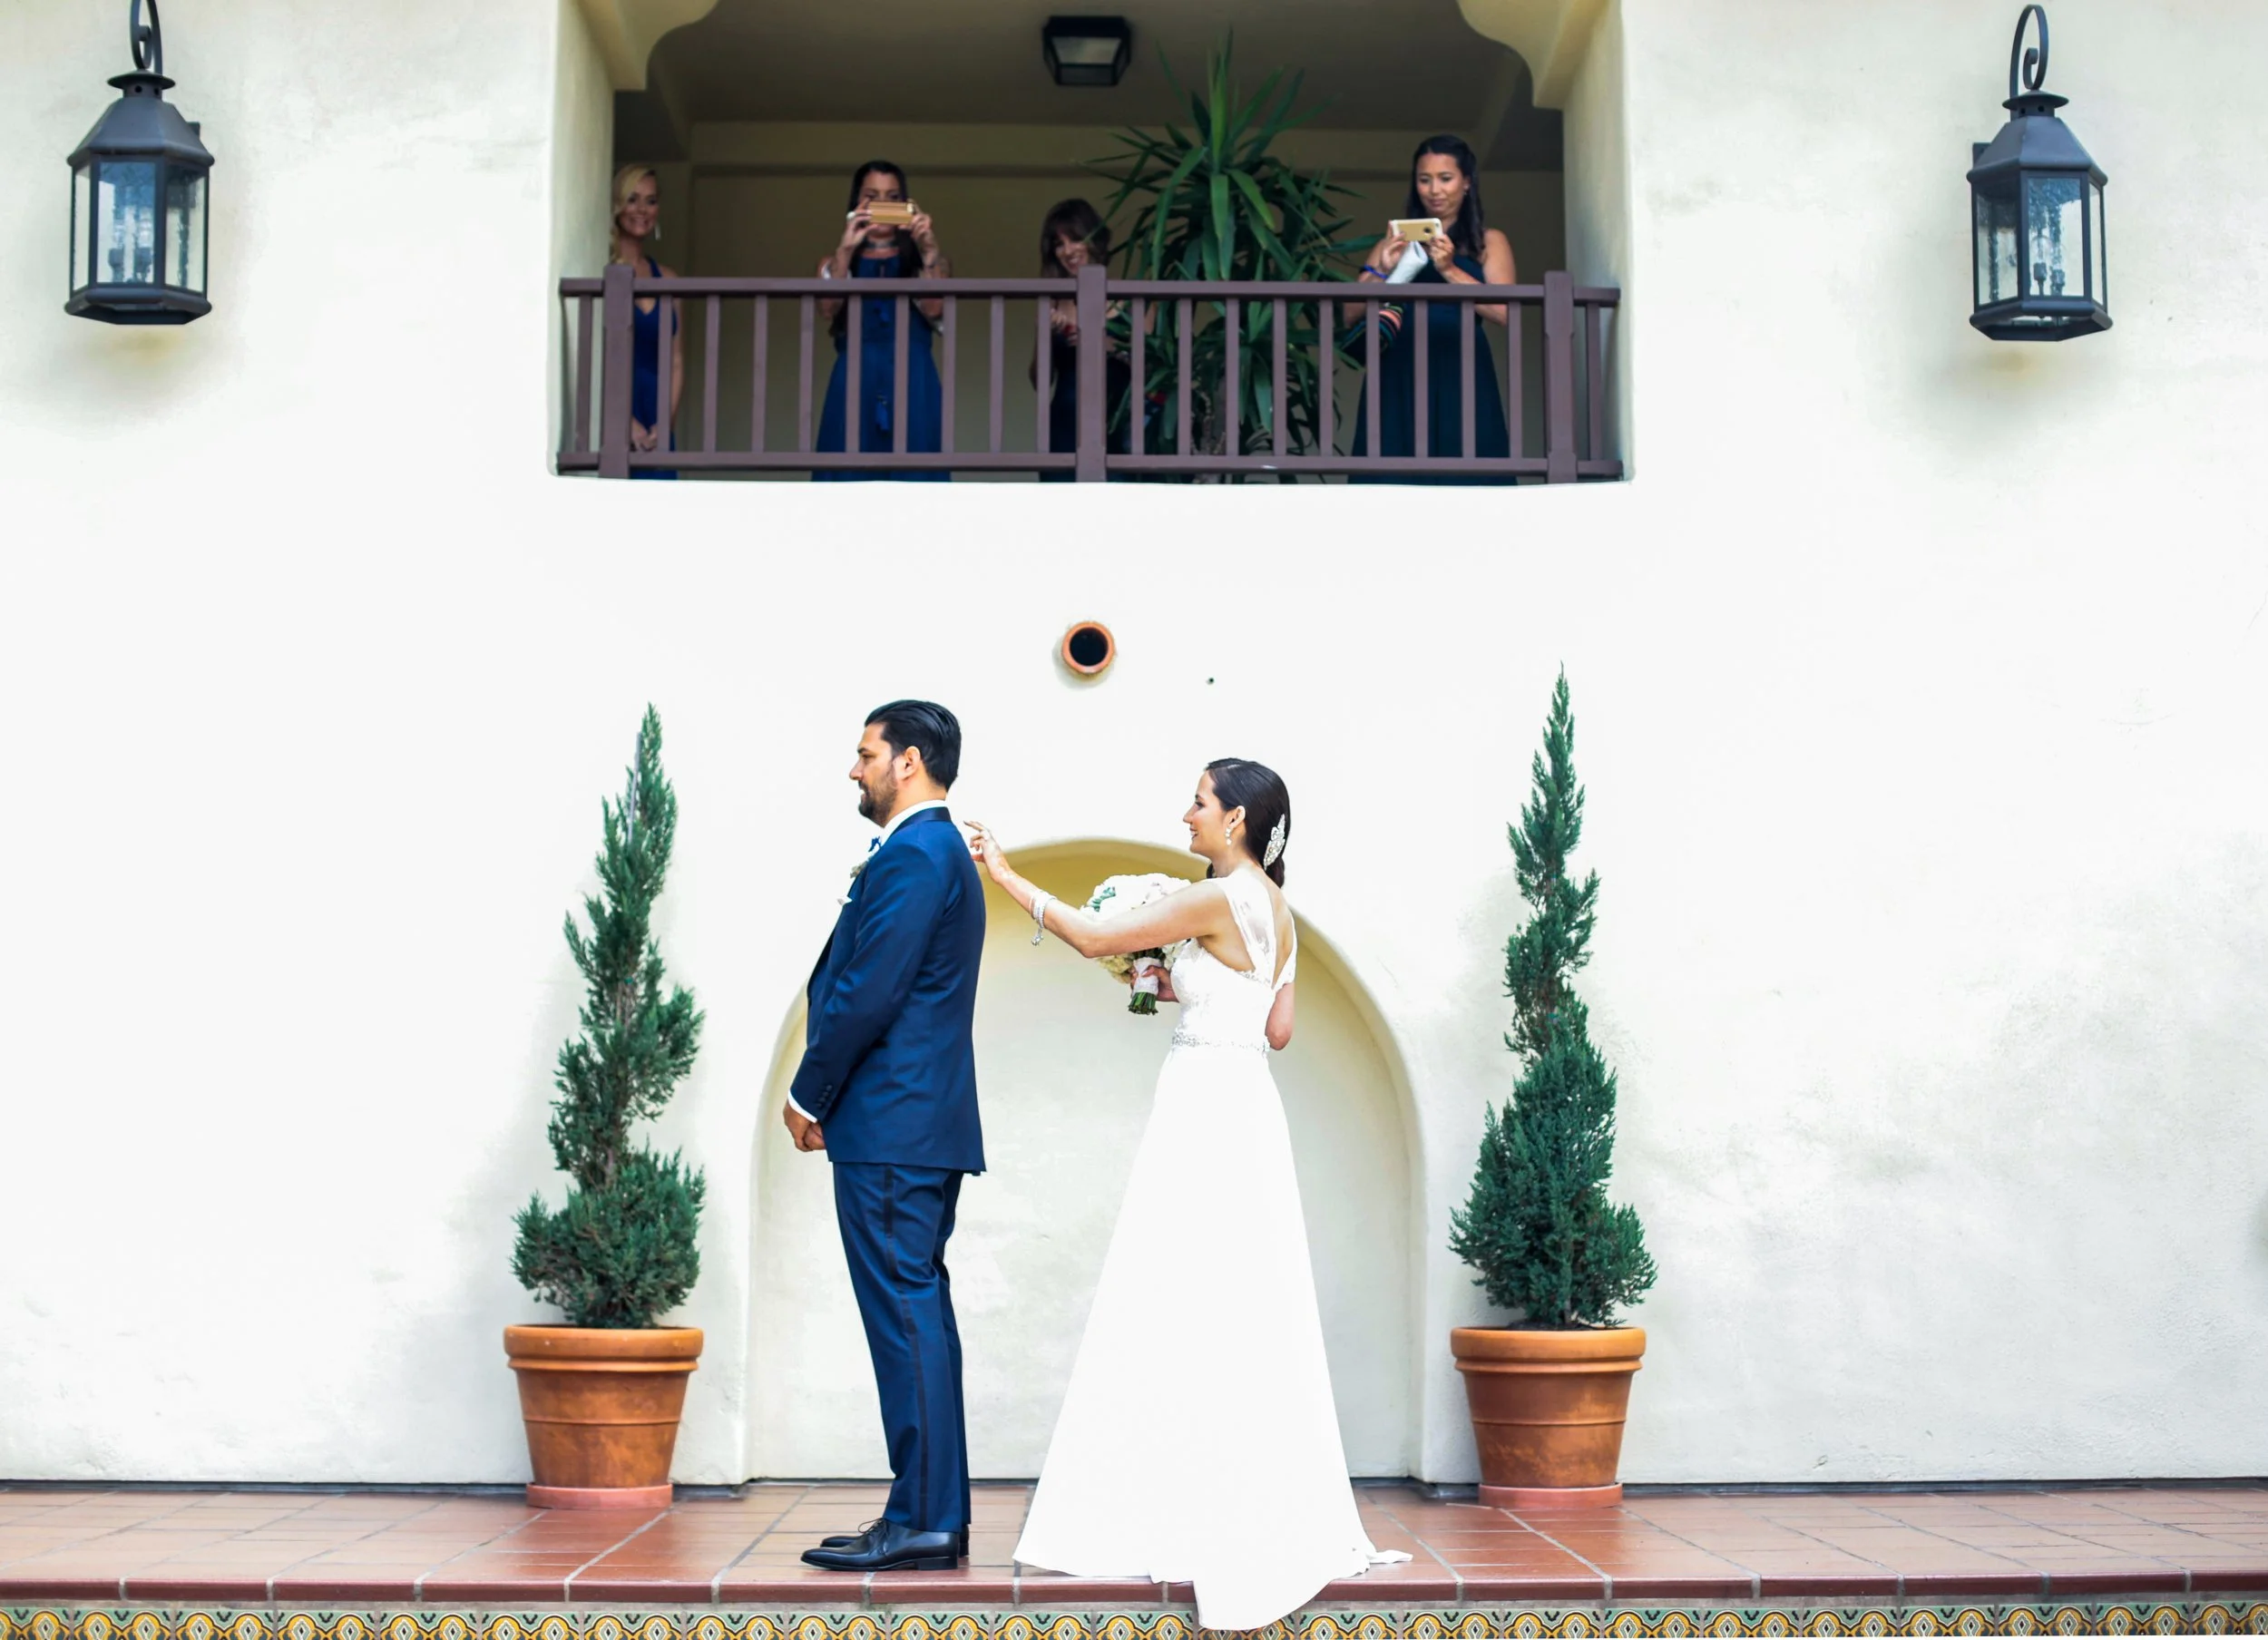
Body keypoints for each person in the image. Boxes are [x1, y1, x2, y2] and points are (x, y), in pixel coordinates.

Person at [965, 762, 1409, 1630]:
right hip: (1249, 1107)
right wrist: (1167, 976)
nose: (1186, 815)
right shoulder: (1278, 912)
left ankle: (1169, 1498)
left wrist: (1006, 875)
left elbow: (1094, 936)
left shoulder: (1219, 897)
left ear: (1236, 819)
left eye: (1198, 802)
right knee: (1237, 1306)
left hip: (1204, 1107)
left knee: (1173, 1297)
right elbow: (1276, 1029)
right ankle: (1220, 1487)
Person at [787, 701, 984, 1573]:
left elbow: (869, 988)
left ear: (909, 760)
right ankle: (922, 1510)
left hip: (893, 1122)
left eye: (866, 754)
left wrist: (809, 1088)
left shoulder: (916, 852)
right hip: (908, 1124)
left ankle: (927, 1518)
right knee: (912, 1313)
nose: (854, 769)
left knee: (905, 1315)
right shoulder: (928, 851)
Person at [1346, 135, 1516, 482]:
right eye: (1424, 180)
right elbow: (1349, 313)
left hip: (1460, 361)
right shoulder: (1393, 241)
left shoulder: (1488, 241)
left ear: (1466, 182)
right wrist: (1384, 267)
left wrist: (1450, 270)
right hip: (1398, 362)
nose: (1434, 190)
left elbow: (1505, 312)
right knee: (1390, 472)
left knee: (1469, 466)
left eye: (1445, 178)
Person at [816, 161, 950, 481]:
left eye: (892, 197)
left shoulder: (925, 261)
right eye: (871, 197)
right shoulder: (835, 261)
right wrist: (845, 249)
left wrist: (928, 250)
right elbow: (827, 308)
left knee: (917, 479)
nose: (882, 206)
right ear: (856, 204)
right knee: (846, 478)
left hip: (913, 377)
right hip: (855, 376)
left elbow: (935, 309)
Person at [1034, 199, 1132, 479]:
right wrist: (1047, 335)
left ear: (1095, 239)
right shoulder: (1053, 302)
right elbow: (1038, 380)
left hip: (1118, 427)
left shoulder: (1131, 302)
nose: (1068, 251)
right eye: (1058, 243)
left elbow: (1153, 371)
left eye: (1075, 239)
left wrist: (1108, 347)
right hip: (1065, 428)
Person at [609, 163, 683, 480]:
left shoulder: (668, 277)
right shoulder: (603, 268)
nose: (642, 210)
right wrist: (625, 422)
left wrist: (664, 424)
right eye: (633, 199)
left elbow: (676, 360)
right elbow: (598, 355)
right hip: (616, 407)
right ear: (617, 206)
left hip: (658, 416)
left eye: (651, 201)